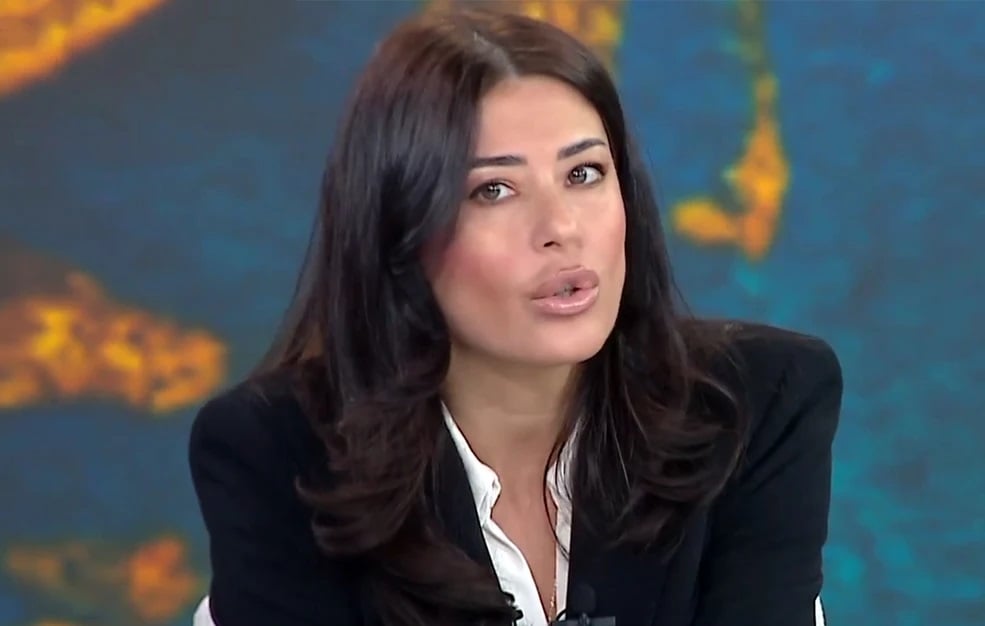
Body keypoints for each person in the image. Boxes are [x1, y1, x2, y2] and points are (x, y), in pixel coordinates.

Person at [188, 8, 842, 626]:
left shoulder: (755, 404)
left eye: (584, 174)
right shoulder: (279, 456)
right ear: (399, 231)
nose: (561, 228)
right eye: (493, 190)